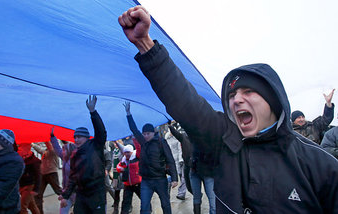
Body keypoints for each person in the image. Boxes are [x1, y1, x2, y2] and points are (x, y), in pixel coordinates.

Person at [118, 7, 338, 213]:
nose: (236, 100)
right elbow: (185, 103)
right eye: (232, 95)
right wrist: (145, 44)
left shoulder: (320, 165)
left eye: (248, 92)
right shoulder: (224, 140)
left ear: (272, 99)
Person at [123, 101, 178, 214]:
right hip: (146, 181)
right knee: (144, 207)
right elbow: (134, 129)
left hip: (160, 179)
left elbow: (170, 159)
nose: (146, 136)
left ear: (153, 133)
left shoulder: (161, 142)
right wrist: (128, 114)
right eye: (144, 134)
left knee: (165, 204)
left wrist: (174, 178)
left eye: (148, 133)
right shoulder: (143, 142)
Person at [60, 95, 107, 214]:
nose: (76, 139)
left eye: (79, 137)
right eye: (75, 137)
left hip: (97, 194)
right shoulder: (74, 154)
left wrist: (93, 112)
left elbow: (101, 131)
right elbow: (73, 177)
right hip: (81, 195)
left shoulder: (96, 145)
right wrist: (66, 195)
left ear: (86, 138)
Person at [50, 127, 77, 214]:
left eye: (65, 150)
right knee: (63, 212)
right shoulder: (64, 157)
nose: (63, 151)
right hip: (67, 192)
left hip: (77, 192)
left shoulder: (78, 161)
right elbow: (57, 149)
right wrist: (52, 136)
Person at [32, 140, 62, 214]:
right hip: (43, 174)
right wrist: (32, 144)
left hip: (51, 173)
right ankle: (39, 212)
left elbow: (49, 146)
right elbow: (38, 149)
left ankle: (70, 199)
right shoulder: (45, 151)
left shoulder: (53, 151)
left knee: (58, 190)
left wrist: (46, 138)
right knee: (38, 194)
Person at [115, 139, 142, 214]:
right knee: (126, 202)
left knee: (144, 199)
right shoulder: (124, 160)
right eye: (125, 153)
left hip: (138, 184)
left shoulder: (136, 157)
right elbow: (118, 167)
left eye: (128, 152)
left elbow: (139, 148)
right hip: (127, 185)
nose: (127, 154)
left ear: (132, 152)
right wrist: (121, 169)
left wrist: (135, 138)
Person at [164, 125, 187, 201]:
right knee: (172, 177)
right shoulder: (166, 138)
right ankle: (166, 194)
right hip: (171, 161)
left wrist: (181, 159)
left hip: (179, 160)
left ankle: (182, 193)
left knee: (183, 177)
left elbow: (180, 149)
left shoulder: (178, 137)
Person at [18, 143, 42, 214]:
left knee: (22, 207)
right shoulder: (22, 158)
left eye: (21, 147)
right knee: (32, 206)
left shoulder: (34, 161)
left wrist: (36, 189)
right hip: (22, 185)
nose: (19, 149)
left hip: (29, 186)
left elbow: (38, 176)